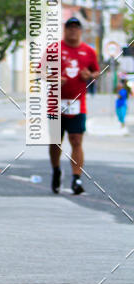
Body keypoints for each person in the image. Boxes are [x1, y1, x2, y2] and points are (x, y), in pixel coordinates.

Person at [49, 16, 100, 195]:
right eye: (69, 27)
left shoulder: (89, 51)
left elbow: (96, 71)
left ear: (81, 31)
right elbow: (39, 71)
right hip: (55, 104)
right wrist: (53, 78)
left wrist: (90, 75)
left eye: (76, 27)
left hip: (78, 104)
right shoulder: (54, 49)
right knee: (56, 141)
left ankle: (76, 178)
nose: (72, 30)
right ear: (65, 29)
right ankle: (56, 171)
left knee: (77, 140)